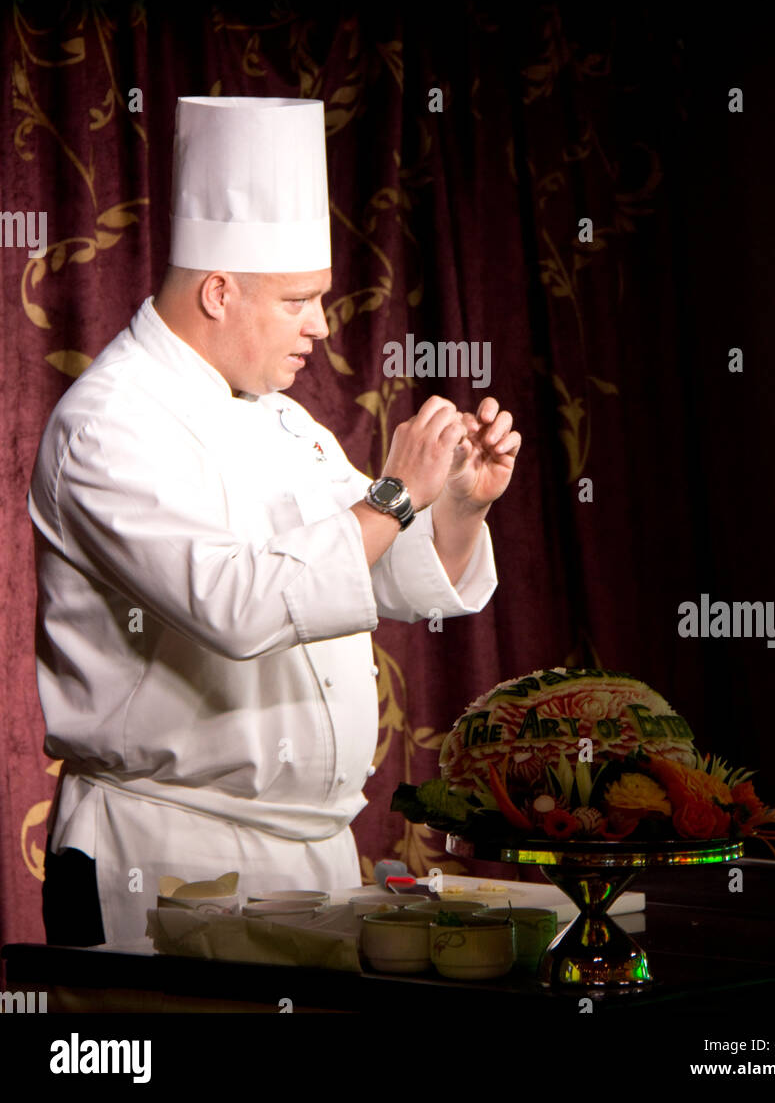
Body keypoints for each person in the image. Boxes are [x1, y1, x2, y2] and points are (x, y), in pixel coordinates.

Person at [29, 96, 520, 946]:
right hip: (167, 854)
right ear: (219, 291)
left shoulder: (283, 417)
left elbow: (376, 574)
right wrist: (396, 493)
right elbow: (240, 607)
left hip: (310, 860)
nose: (318, 328)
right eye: (298, 300)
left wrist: (457, 504)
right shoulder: (108, 423)